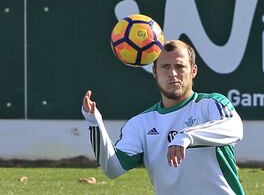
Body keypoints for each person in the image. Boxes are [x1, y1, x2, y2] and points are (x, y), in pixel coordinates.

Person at [82, 40, 245, 195]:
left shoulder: (211, 104)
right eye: (165, 67)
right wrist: (94, 122)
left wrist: (187, 136)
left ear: (193, 70)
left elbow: (235, 129)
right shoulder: (141, 123)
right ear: (154, 71)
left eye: (180, 66)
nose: (173, 73)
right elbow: (113, 168)